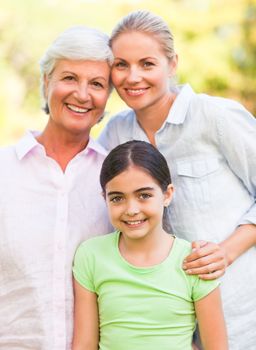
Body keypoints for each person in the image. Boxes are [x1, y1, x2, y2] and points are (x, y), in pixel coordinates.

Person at [98, 10, 256, 349]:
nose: (133, 76)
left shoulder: (214, 117)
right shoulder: (116, 133)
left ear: (172, 64)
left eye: (147, 63)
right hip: (168, 324)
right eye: (121, 65)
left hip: (238, 313)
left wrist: (226, 252)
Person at [0, 26, 113, 349]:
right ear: (46, 81)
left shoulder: (118, 180)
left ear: (107, 98)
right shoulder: (3, 170)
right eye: (69, 78)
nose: (82, 94)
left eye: (97, 84)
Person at [72, 140, 228, 350]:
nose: (131, 209)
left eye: (144, 195)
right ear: (105, 199)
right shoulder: (91, 255)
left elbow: (216, 347)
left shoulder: (195, 260)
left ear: (167, 194)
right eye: (117, 198)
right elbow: (84, 344)